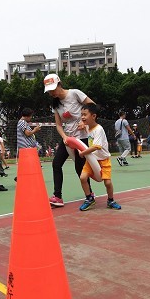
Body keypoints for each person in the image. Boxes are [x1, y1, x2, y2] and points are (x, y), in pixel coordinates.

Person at [44, 73, 95, 207]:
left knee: (79, 167)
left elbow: (92, 105)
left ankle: (90, 195)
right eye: (49, 91)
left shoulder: (74, 93)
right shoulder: (56, 104)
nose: (51, 93)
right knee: (56, 163)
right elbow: (58, 124)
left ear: (59, 84)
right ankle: (57, 196)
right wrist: (64, 137)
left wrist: (85, 121)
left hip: (82, 137)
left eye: (53, 89)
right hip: (68, 138)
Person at [77, 103, 122, 211]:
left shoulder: (99, 129)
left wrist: (83, 153)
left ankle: (111, 200)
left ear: (93, 116)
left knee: (107, 182)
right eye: (81, 115)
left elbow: (96, 147)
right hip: (92, 160)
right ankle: (89, 198)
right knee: (83, 178)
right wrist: (82, 125)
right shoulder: (88, 127)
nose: (82, 117)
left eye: (85, 115)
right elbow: (83, 126)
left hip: (103, 160)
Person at [15, 107, 42, 182]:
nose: (31, 118)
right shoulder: (22, 122)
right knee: (30, 163)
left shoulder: (23, 122)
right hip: (26, 147)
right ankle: (23, 177)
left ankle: (21, 177)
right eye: (30, 116)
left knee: (26, 164)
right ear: (27, 116)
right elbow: (27, 133)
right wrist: (35, 130)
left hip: (27, 147)